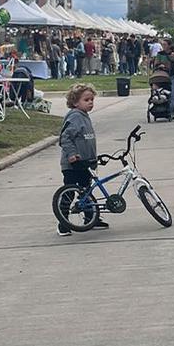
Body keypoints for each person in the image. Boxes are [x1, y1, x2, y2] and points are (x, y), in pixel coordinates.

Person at [57, 83, 107, 235]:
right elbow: (65, 138)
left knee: (86, 192)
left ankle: (91, 218)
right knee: (69, 192)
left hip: (85, 163)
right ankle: (63, 223)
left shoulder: (84, 116)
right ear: (75, 102)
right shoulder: (75, 117)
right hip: (72, 165)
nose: (90, 102)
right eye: (87, 100)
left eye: (92, 99)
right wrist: (72, 154)